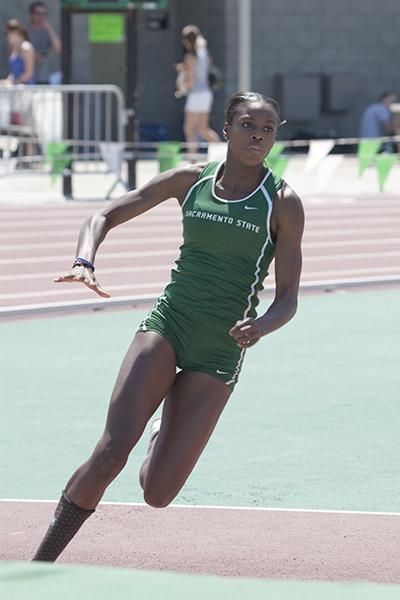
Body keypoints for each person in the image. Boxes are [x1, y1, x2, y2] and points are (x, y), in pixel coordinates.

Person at [32, 91, 304, 563]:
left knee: (157, 493)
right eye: (247, 125)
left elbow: (288, 299)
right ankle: (39, 568)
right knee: (112, 452)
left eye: (268, 128)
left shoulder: (282, 202)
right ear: (226, 129)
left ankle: (163, 430)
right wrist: (84, 259)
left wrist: (261, 326)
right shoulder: (189, 180)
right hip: (168, 326)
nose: (258, 135)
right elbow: (104, 215)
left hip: (220, 350)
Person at [179, 25, 220, 156]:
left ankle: (192, 159)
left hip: (196, 94)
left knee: (189, 129)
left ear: (187, 41)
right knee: (203, 129)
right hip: (207, 93)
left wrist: (182, 82)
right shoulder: (204, 53)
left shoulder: (190, 57)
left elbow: (191, 81)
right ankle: (222, 152)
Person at [27, 1, 61, 84]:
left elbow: (58, 49)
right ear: (31, 14)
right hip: (29, 79)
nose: (41, 16)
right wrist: (32, 55)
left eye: (44, 14)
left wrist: (49, 29)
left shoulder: (48, 31)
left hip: (46, 78)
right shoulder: (25, 32)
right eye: (37, 13)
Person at [2, 19, 35, 85]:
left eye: (8, 34)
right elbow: (15, 73)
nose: (8, 38)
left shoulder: (26, 47)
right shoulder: (14, 48)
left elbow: (28, 74)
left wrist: (13, 83)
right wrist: (5, 82)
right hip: (16, 87)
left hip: (26, 88)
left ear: (17, 33)